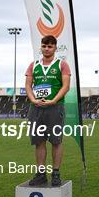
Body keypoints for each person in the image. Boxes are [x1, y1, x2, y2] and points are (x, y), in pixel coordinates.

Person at [25, 35, 71, 187]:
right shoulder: (33, 65)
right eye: (44, 46)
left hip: (55, 107)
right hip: (36, 108)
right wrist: (32, 99)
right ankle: (40, 174)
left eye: (50, 46)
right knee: (39, 141)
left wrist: (54, 100)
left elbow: (66, 86)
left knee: (56, 141)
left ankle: (56, 173)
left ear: (55, 48)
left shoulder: (62, 65)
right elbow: (28, 85)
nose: (47, 48)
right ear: (41, 47)